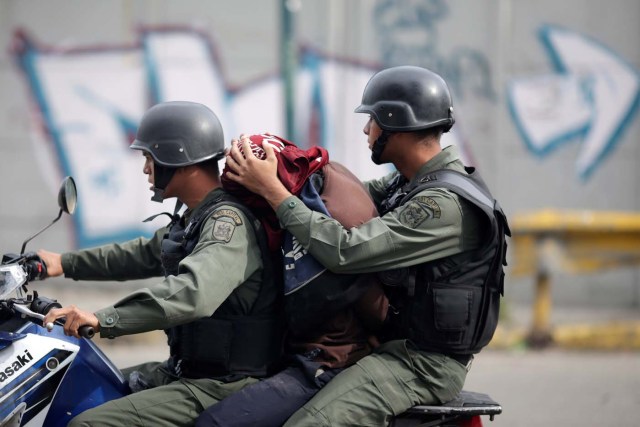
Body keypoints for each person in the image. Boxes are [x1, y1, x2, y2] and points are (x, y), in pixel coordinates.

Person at [225, 65, 510, 426]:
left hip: (422, 365)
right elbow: (341, 197)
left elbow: (346, 250)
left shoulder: (443, 206)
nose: (366, 129)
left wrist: (274, 191)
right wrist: (288, 166)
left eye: (372, 119)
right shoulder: (407, 185)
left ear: (396, 123)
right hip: (389, 346)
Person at [38, 101, 284, 426]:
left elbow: (191, 294)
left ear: (178, 160)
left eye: (149, 158)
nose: (145, 169)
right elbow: (139, 254)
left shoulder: (228, 223)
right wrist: (60, 263)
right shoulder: (195, 218)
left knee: (87, 423)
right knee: (76, 385)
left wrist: (102, 319)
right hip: (186, 371)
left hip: (222, 385)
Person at [195, 133, 388, 427]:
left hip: (329, 361)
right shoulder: (319, 176)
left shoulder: (330, 211)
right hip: (299, 355)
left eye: (247, 192)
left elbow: (370, 298)